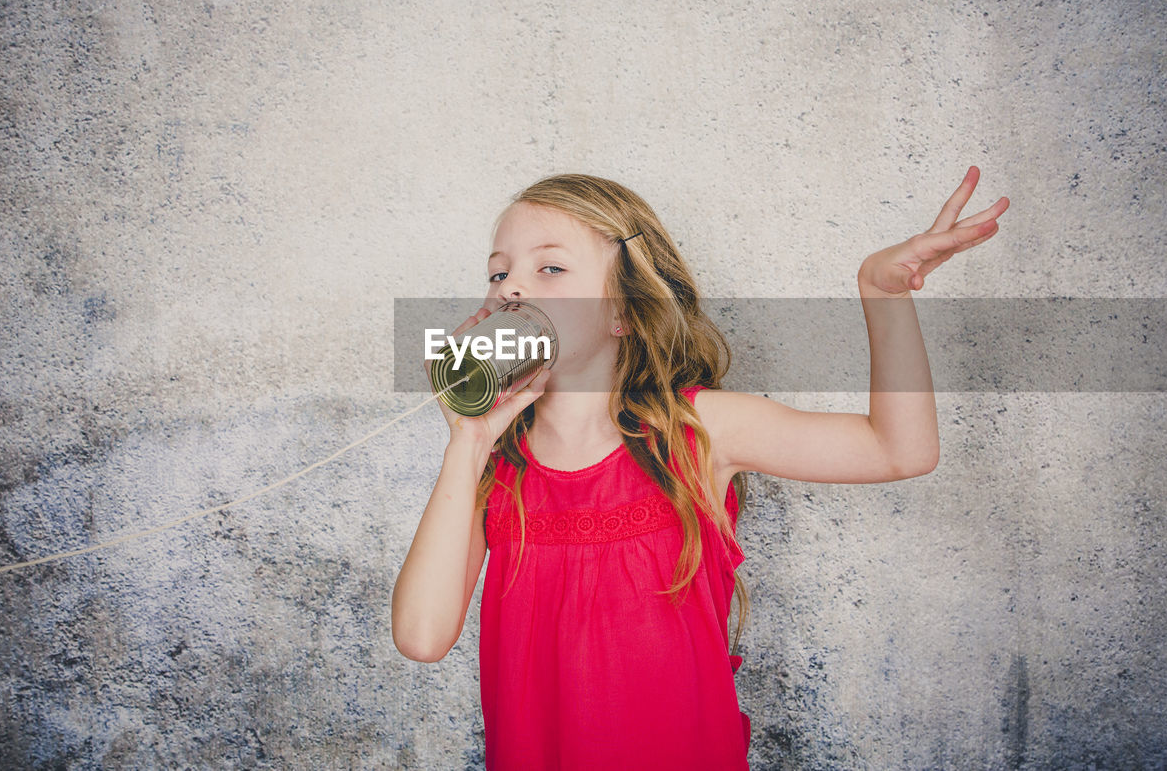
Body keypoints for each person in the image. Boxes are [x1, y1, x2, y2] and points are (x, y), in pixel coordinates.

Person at [391, 171, 1008, 769]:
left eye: (549, 267)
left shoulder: (700, 431)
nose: (512, 289)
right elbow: (422, 637)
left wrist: (884, 293)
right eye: (499, 272)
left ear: (623, 311)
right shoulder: (492, 467)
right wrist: (467, 440)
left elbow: (899, 450)